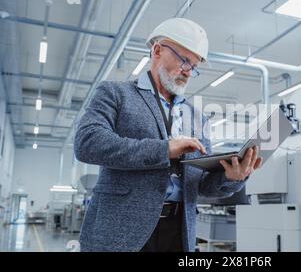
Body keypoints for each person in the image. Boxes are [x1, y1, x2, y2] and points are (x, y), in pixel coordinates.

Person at [74, 18, 262, 252]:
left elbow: (202, 186)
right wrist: (165, 149)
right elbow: (87, 143)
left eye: (194, 66)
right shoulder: (115, 94)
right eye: (184, 60)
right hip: (122, 228)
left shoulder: (197, 117)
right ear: (157, 50)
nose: (188, 71)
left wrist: (232, 178)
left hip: (180, 231)